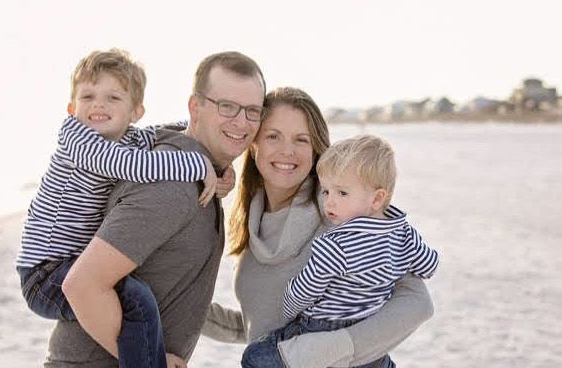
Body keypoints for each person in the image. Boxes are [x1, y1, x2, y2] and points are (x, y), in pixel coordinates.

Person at [44, 51, 267, 368]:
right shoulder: (171, 187)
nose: (240, 121)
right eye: (227, 107)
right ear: (195, 107)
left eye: (252, 112)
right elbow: (82, 285)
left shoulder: (194, 174)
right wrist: (149, 360)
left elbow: (172, 292)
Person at [202, 87, 436, 368]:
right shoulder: (251, 223)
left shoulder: (341, 215)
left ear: (315, 150)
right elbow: (265, 324)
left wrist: (329, 349)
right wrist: (182, 310)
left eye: (301, 139)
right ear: (253, 144)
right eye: (273, 136)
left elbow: (417, 302)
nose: (287, 151)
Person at [240, 134, 440, 368]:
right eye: (326, 191)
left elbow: (305, 291)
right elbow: (429, 265)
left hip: (321, 326)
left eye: (342, 193)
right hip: (370, 325)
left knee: (254, 357)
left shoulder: (335, 244)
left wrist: (287, 308)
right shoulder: (404, 233)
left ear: (377, 199)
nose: (330, 202)